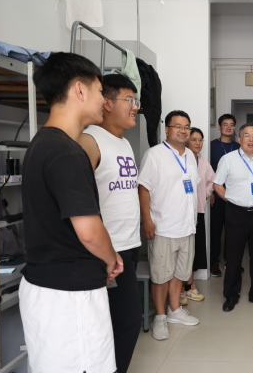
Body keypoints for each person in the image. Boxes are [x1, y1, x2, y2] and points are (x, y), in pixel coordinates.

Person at [19, 52, 123, 373]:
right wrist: (111, 258)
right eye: (100, 91)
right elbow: (89, 231)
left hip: (46, 287)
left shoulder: (41, 143)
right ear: (79, 90)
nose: (104, 101)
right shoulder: (67, 152)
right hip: (69, 296)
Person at [78, 74, 142, 373]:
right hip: (107, 252)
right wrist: (103, 253)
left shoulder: (124, 143)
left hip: (129, 245)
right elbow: (79, 202)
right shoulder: (89, 141)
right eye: (129, 100)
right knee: (122, 322)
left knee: (123, 322)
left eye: (136, 101)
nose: (135, 107)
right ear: (107, 103)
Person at [138, 110, 200, 341]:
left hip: (187, 226)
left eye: (186, 126)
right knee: (161, 276)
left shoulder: (190, 156)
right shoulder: (154, 155)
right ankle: (160, 317)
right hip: (163, 227)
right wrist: (147, 220)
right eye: (178, 126)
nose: (183, 130)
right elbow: (143, 188)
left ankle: (175, 311)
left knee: (179, 273)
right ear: (167, 129)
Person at [213, 123, 253, 312]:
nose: (251, 139)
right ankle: (231, 295)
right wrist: (232, 200)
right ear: (239, 139)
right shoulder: (228, 159)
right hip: (236, 213)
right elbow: (217, 184)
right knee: (233, 257)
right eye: (247, 135)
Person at [182, 127, 215, 303]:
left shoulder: (203, 162)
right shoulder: (181, 159)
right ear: (187, 141)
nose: (197, 143)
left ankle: (190, 286)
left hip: (198, 211)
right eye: (194, 139)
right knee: (182, 252)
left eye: (200, 140)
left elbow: (214, 180)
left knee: (195, 250)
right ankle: (179, 289)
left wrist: (205, 193)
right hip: (180, 213)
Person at [209, 114, 240, 277]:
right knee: (215, 230)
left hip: (236, 196)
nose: (228, 127)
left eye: (231, 124)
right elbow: (207, 171)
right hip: (217, 194)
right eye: (225, 124)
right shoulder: (211, 146)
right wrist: (210, 191)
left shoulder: (239, 147)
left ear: (234, 128)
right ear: (219, 127)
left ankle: (231, 261)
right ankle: (214, 262)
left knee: (233, 231)